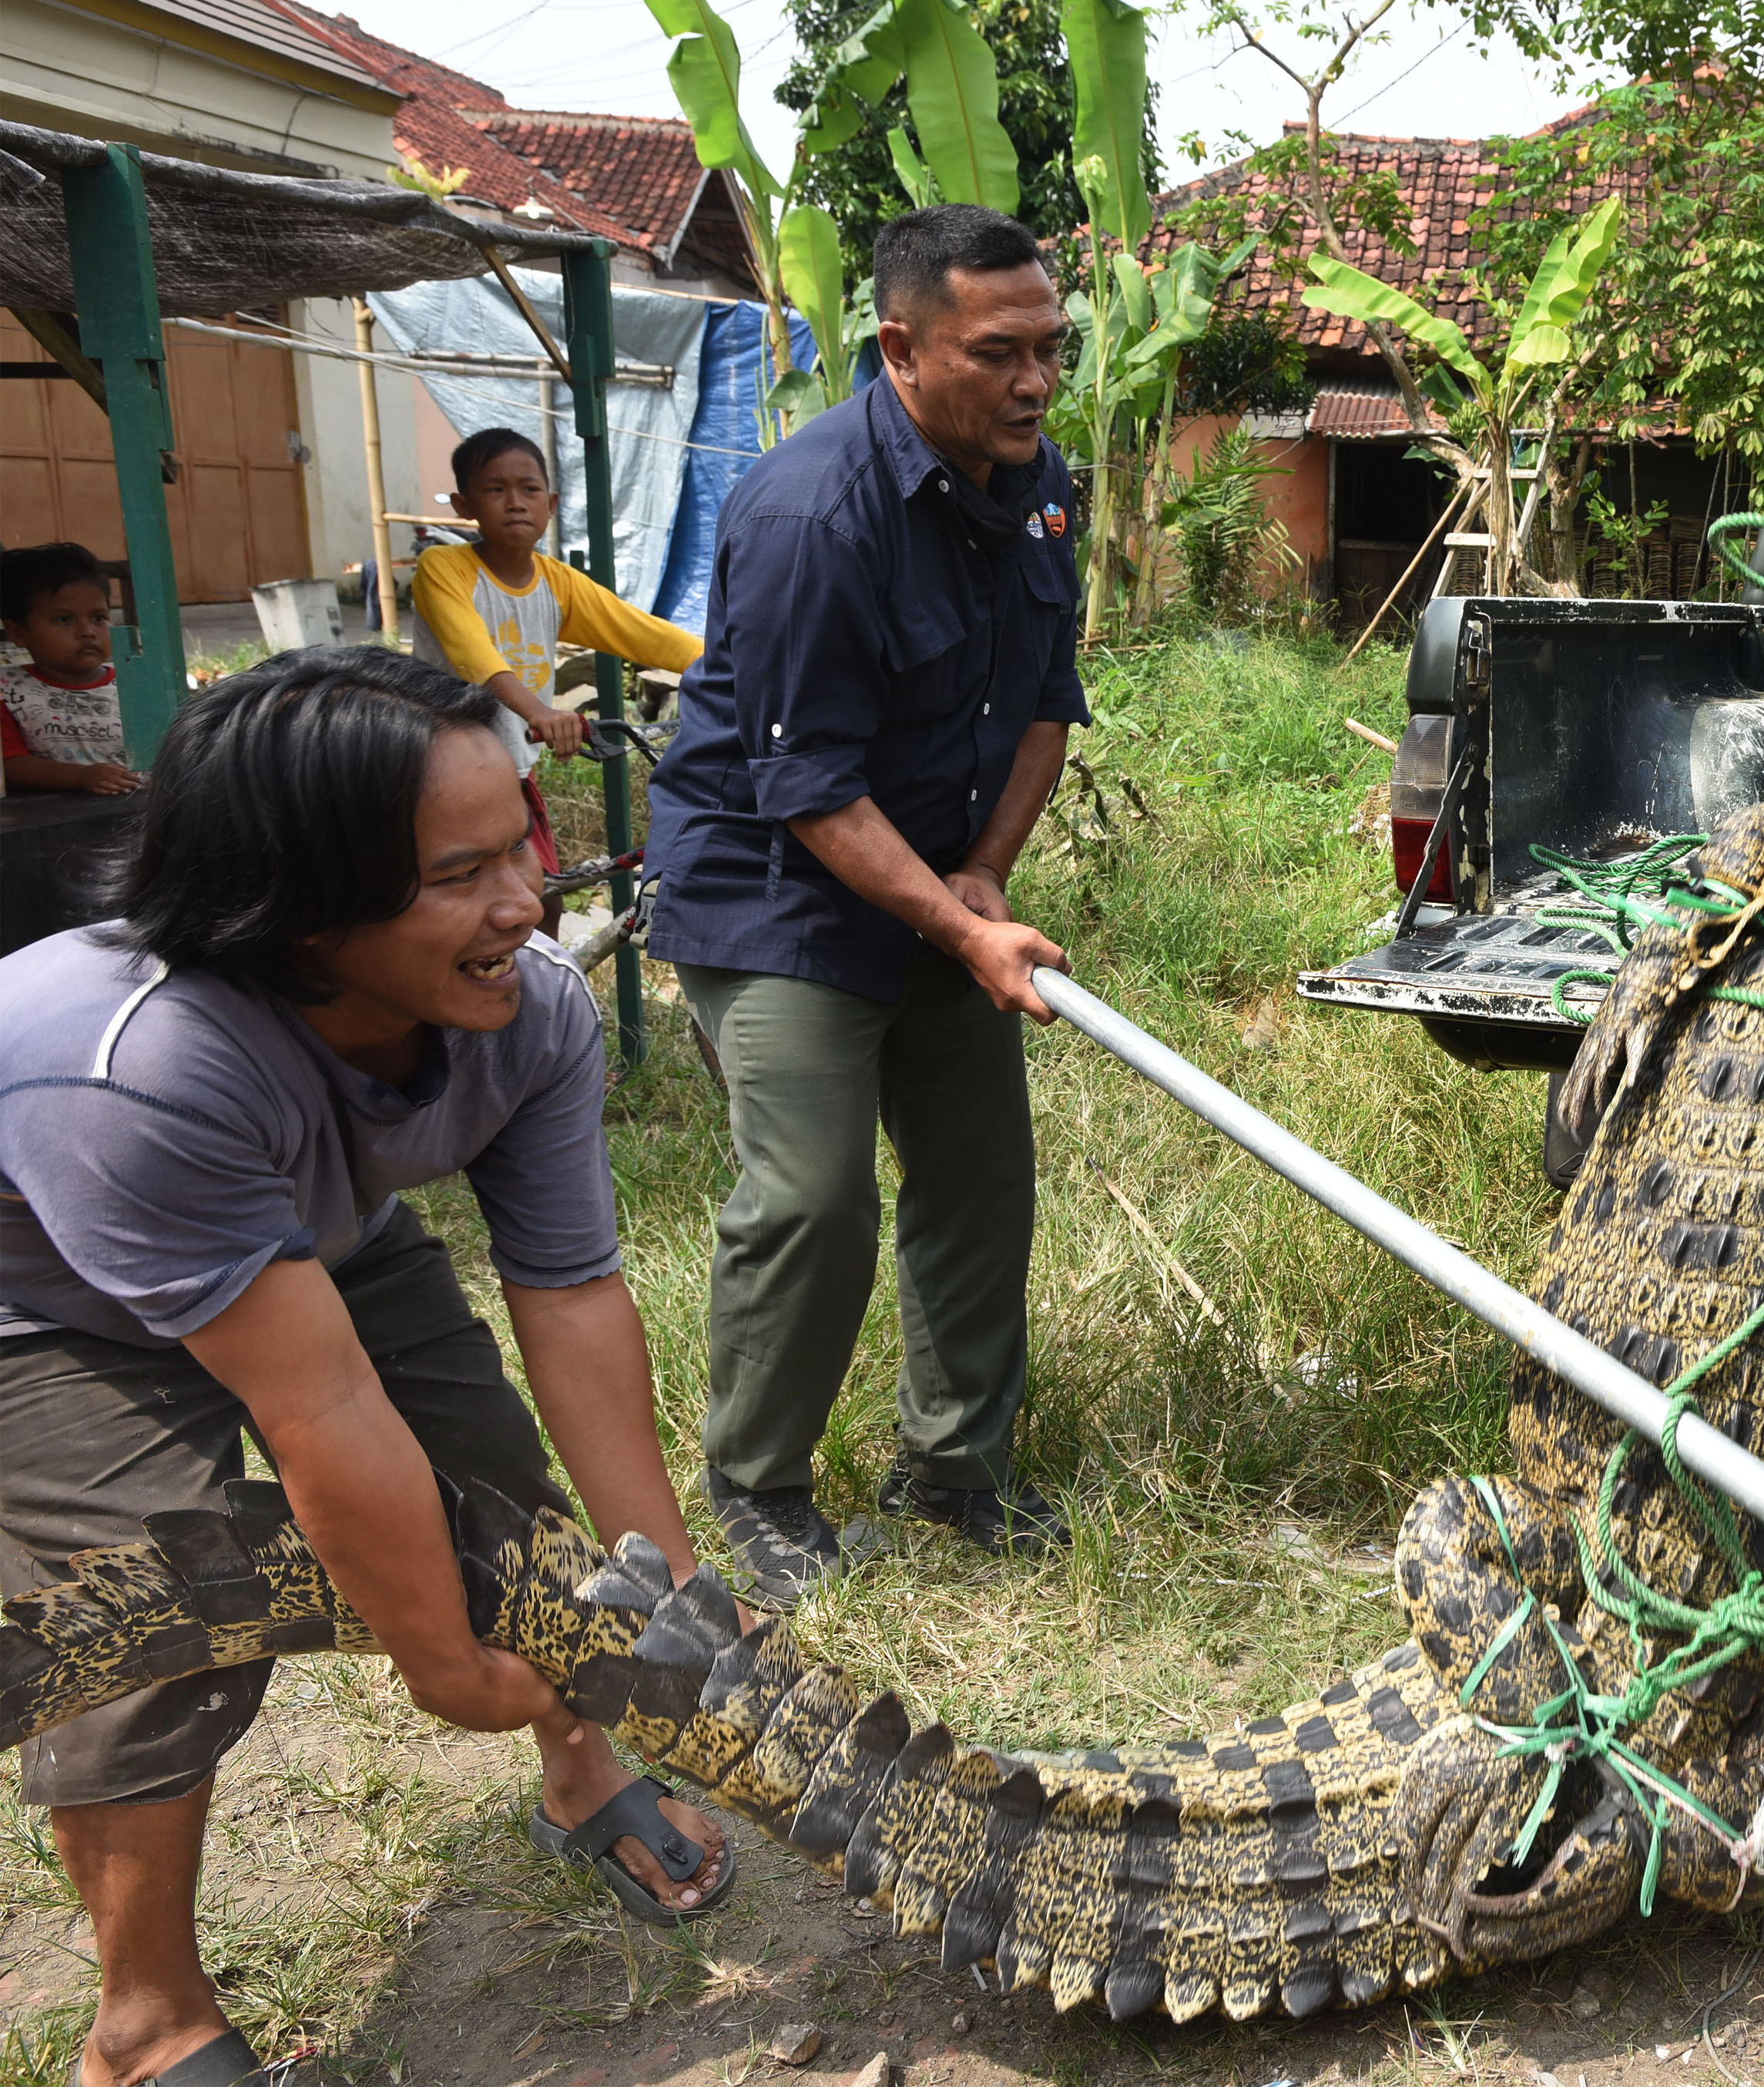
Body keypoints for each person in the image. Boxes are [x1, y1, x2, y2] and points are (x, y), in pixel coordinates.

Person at [0, 648, 738, 2087]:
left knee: (508, 1505)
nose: (528, 900)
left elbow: (573, 1289)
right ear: (296, 903)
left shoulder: (530, 1009)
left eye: (526, 838)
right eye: (458, 872)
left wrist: (670, 1571)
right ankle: (145, 2022)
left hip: (309, 1231)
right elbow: (319, 1402)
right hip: (43, 1299)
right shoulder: (135, 1060)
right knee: (151, 1599)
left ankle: (581, 1766)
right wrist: (440, 1659)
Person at [642, 205, 1084, 1607]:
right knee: (813, 1192)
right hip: (777, 885)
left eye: (1052, 353)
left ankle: (955, 1470)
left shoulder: (1039, 484)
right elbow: (808, 787)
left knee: (979, 1175)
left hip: (934, 876)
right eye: (999, 353)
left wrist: (986, 876)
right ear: (899, 346)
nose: (1035, 384)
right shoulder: (812, 511)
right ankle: (760, 1489)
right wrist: (960, 929)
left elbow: (1040, 708)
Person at [407, 429, 704, 928]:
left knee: (541, 905)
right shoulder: (443, 568)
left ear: (551, 503)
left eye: (528, 489)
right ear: (464, 505)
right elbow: (473, 655)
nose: (515, 503)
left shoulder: (556, 582)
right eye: (495, 490)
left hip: (508, 777)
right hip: (434, 775)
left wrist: (741, 666)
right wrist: (539, 711)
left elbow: (647, 636)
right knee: (463, 909)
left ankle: (529, 1001)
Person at [2, 540, 140, 795]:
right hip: (49, 823)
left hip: (138, 811)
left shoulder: (136, 685)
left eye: (99, 618)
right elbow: (9, 765)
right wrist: (81, 776)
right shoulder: (8, 693)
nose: (87, 632)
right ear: (18, 632)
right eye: (63, 619)